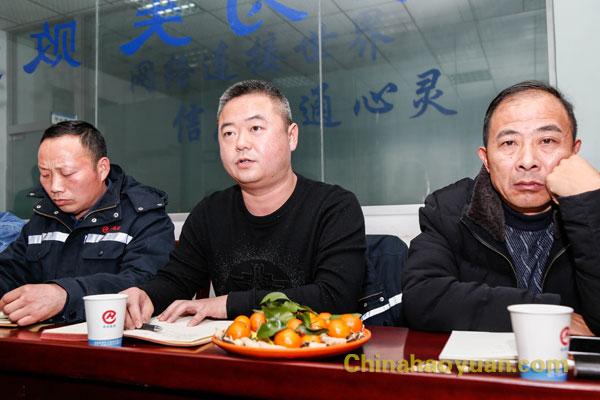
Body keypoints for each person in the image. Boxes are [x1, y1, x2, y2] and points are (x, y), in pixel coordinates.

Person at [123, 80, 366, 329]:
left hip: (310, 349)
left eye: (255, 128)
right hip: (231, 348)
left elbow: (335, 298)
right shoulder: (209, 213)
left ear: (291, 137)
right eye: (229, 133)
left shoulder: (334, 207)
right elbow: (176, 281)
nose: (240, 143)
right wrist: (146, 295)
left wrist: (229, 304)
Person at [402, 81, 600, 335]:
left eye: (547, 140)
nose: (527, 161)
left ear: (574, 152)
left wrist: (588, 207)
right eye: (509, 143)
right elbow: (422, 298)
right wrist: (549, 316)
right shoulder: (449, 208)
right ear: (486, 159)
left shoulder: (593, 207)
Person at [0, 121, 175, 325]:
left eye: (67, 174)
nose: (55, 187)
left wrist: (64, 296)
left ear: (102, 169)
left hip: (111, 338)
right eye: (45, 175)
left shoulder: (145, 218)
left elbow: (146, 284)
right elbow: (9, 271)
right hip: (44, 338)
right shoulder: (46, 215)